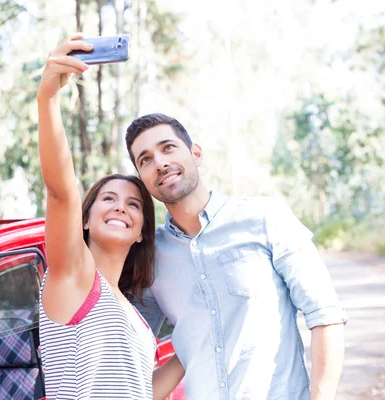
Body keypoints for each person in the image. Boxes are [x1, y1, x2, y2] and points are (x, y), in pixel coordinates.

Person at [126, 113, 348, 400]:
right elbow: (128, 352)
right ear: (143, 179)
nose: (160, 162)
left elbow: (325, 315)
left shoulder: (265, 217)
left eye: (168, 147)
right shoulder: (151, 258)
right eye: (145, 159)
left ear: (196, 153)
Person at [36, 35, 184, 400]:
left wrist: (191, 344)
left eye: (134, 204)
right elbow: (61, 192)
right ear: (83, 220)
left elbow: (142, 391)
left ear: (140, 233)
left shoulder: (131, 313)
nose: (121, 207)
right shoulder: (73, 277)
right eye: (108, 198)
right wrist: (48, 99)